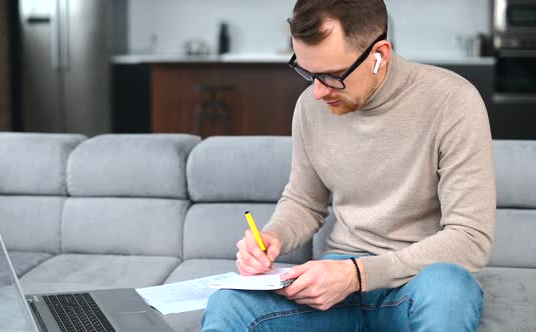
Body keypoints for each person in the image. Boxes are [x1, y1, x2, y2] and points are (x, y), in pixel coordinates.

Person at [202, 0, 495, 330]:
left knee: (449, 288)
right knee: (228, 304)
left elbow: (470, 239)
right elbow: (304, 202)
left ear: (379, 55)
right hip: (337, 286)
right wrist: (274, 235)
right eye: (308, 73)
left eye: (332, 75)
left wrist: (358, 275)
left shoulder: (453, 101)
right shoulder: (310, 109)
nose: (318, 92)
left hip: (419, 279)